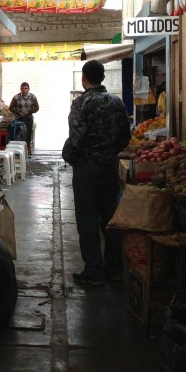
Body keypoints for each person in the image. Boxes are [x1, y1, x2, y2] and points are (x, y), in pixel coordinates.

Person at [62, 60, 131, 286]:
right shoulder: (116, 102)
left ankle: (94, 270)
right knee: (110, 218)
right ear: (102, 77)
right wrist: (109, 152)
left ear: (84, 78)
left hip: (87, 169)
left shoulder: (81, 103)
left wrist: (69, 156)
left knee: (87, 219)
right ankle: (115, 269)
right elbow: (125, 136)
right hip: (109, 168)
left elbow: (76, 138)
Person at [8, 82, 39, 153]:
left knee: (28, 134)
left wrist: (29, 111)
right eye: (23, 88)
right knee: (19, 134)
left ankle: (28, 148)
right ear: (20, 89)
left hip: (29, 118)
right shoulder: (16, 97)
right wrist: (19, 112)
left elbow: (37, 107)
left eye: (26, 88)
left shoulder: (33, 97)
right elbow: (11, 107)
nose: (24, 90)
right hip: (19, 118)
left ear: (29, 89)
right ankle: (18, 150)